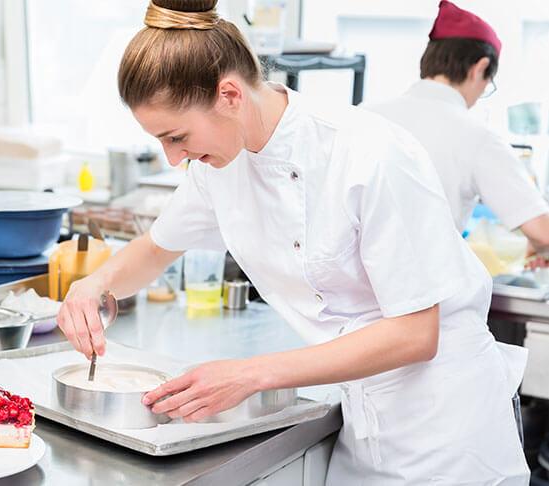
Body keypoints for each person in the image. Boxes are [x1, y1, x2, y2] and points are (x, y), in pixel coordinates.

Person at [56, 1, 530, 483]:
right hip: (362, 427)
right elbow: (157, 248)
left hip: (449, 434)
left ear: (230, 95)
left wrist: (248, 374)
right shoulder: (219, 163)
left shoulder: (369, 153)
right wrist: (94, 284)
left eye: (176, 137)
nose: (174, 158)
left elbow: (415, 333)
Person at [366, 0, 549, 265]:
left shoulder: (365, 114)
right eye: (488, 83)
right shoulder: (477, 136)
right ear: (479, 68)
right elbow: (542, 231)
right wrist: (540, 247)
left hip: (349, 297)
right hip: (429, 296)